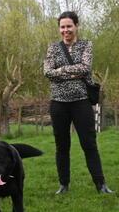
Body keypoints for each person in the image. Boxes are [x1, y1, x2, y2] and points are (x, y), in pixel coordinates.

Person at [43, 11, 113, 194]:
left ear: (76, 26)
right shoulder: (52, 48)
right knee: (62, 145)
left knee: (89, 144)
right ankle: (63, 185)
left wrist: (61, 70)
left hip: (81, 102)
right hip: (58, 104)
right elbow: (47, 72)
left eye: (69, 26)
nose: (65, 30)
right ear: (59, 28)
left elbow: (85, 68)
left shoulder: (86, 45)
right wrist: (71, 72)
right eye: (62, 27)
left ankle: (101, 185)